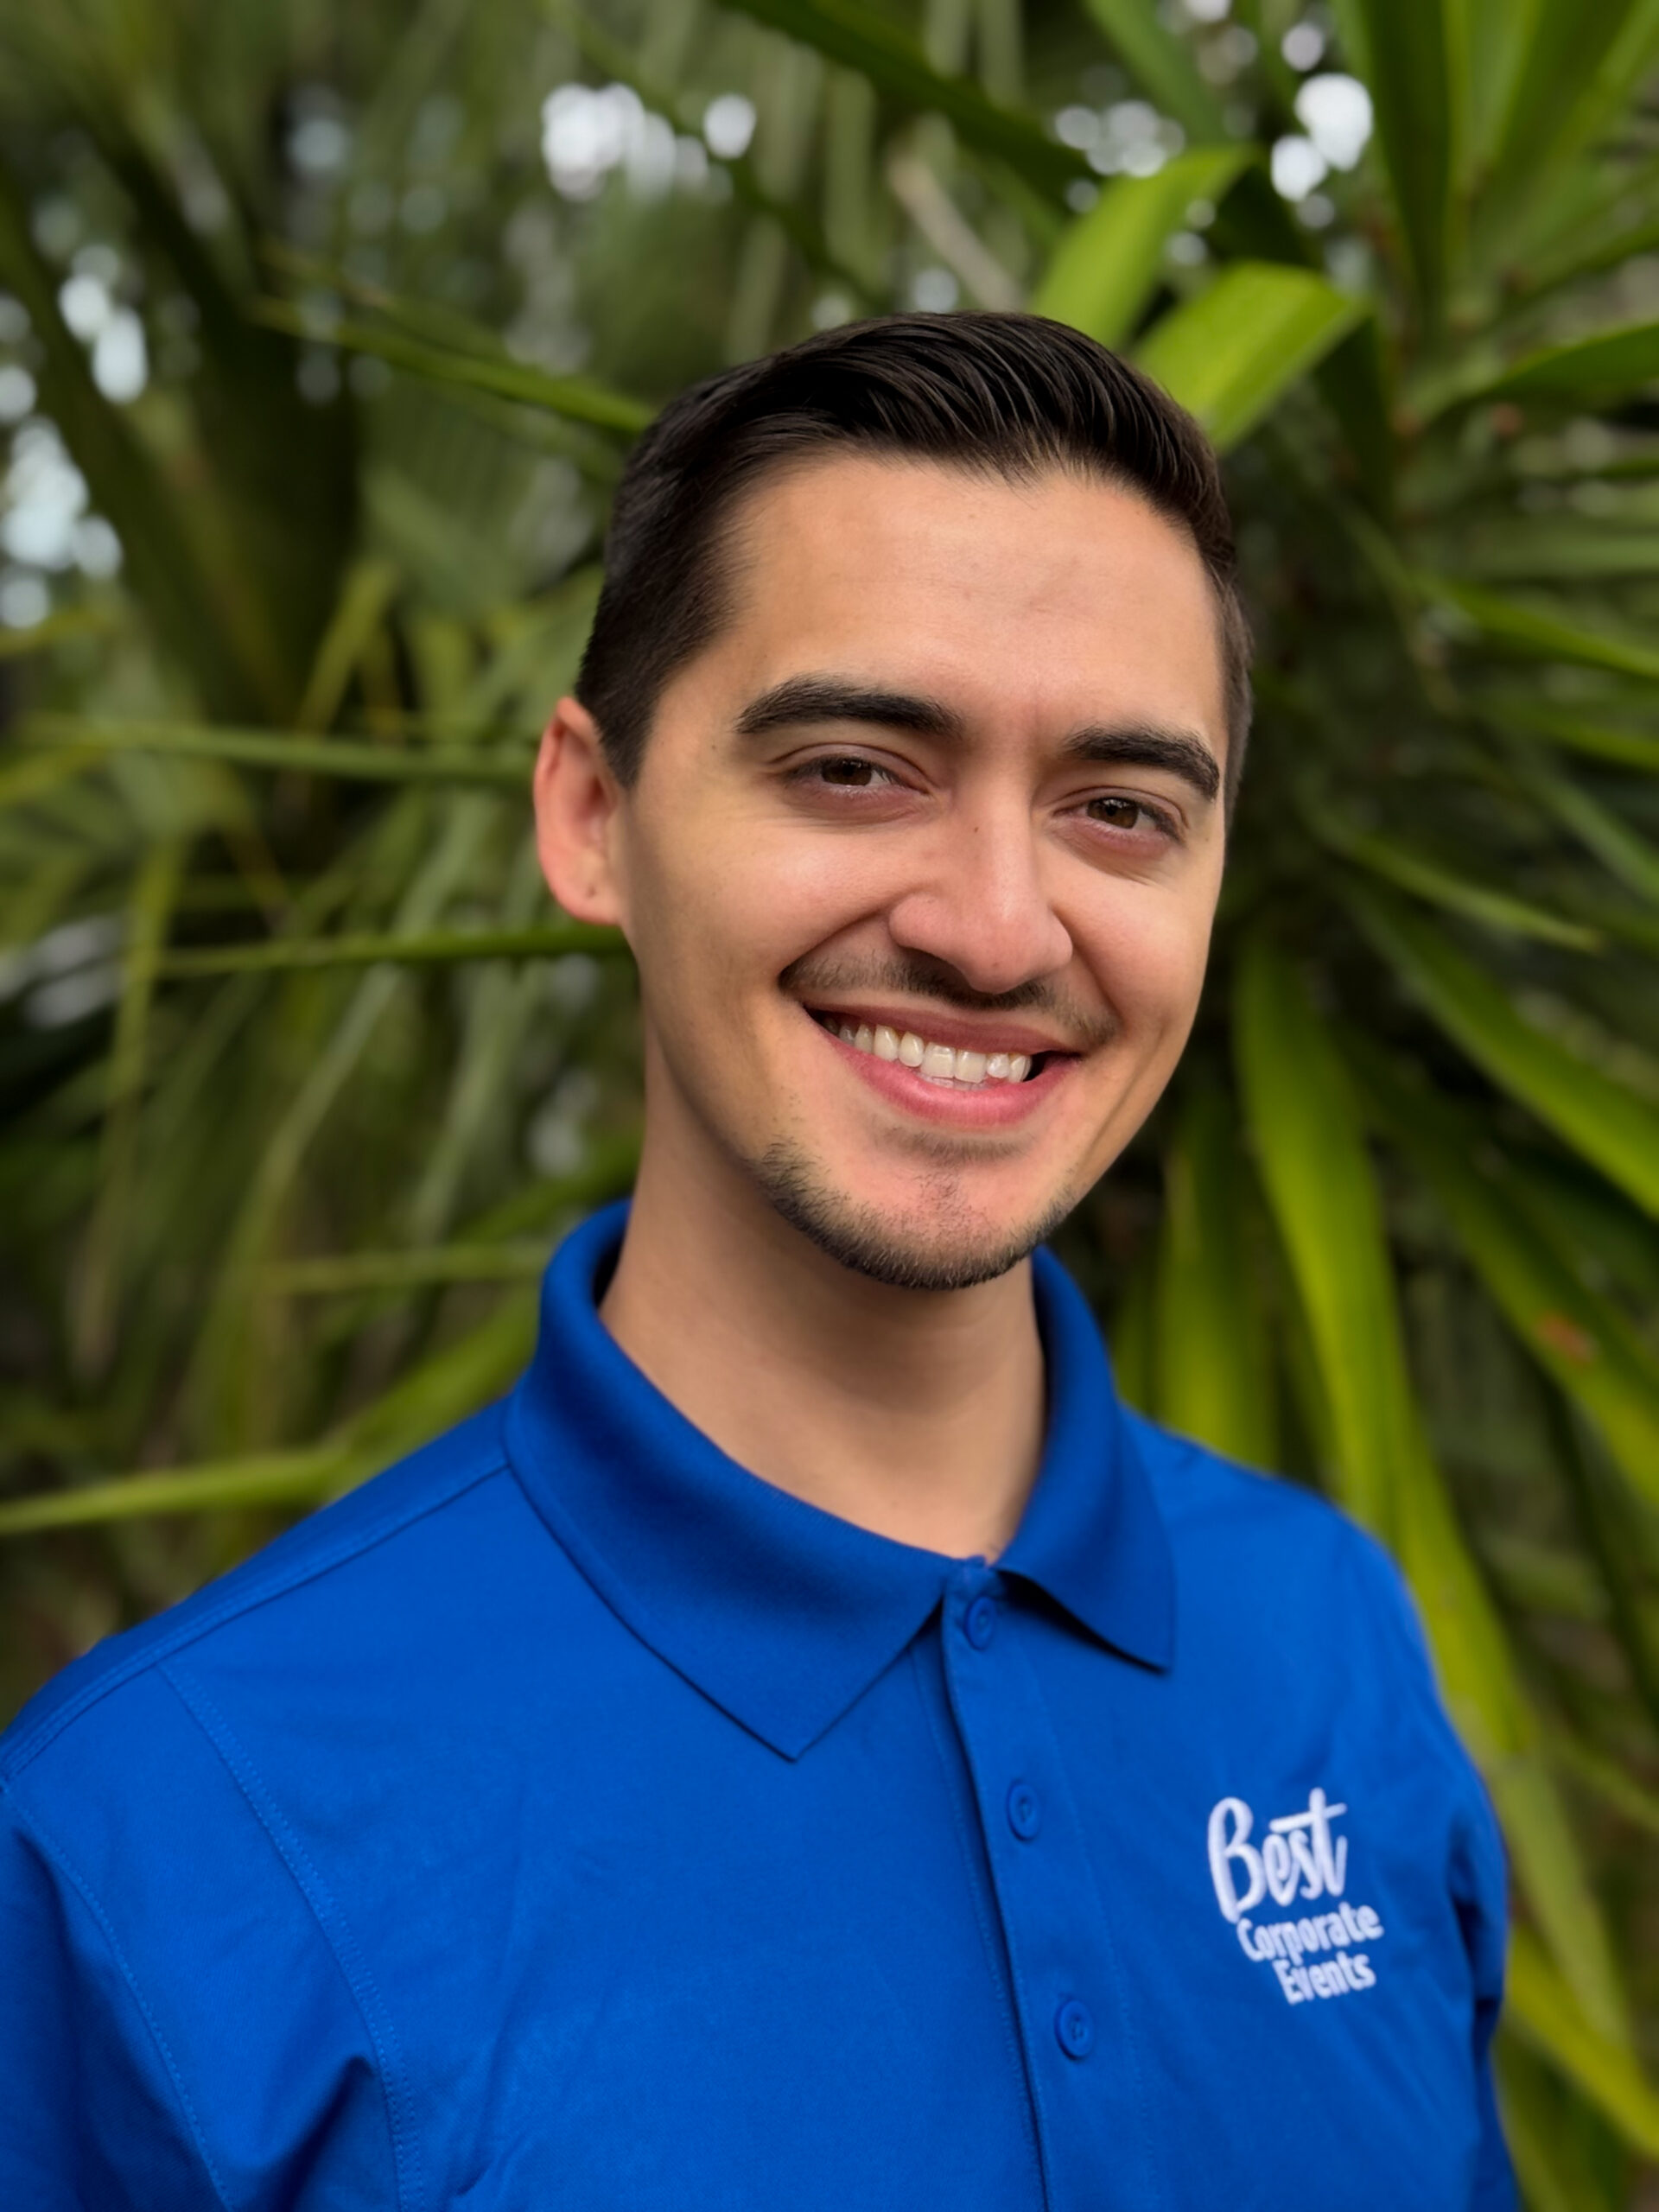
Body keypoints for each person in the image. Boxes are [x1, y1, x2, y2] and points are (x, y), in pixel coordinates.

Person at [0, 314, 1511, 2209]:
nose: (995, 928)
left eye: (1121, 810)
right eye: (858, 768)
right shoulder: (158, 1841)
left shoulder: (1331, 1639)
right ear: (592, 816)